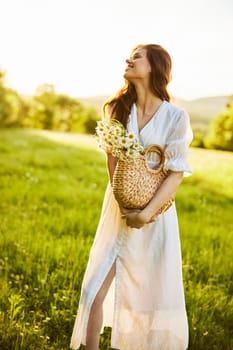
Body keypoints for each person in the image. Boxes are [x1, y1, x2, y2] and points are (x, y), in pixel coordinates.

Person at [70, 43, 193, 350]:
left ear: (155, 66)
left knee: (148, 300)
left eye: (137, 56)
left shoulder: (176, 117)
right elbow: (113, 164)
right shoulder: (118, 110)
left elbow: (175, 173)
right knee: (92, 291)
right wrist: (126, 203)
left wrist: (145, 213)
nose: (129, 59)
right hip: (117, 211)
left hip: (156, 219)